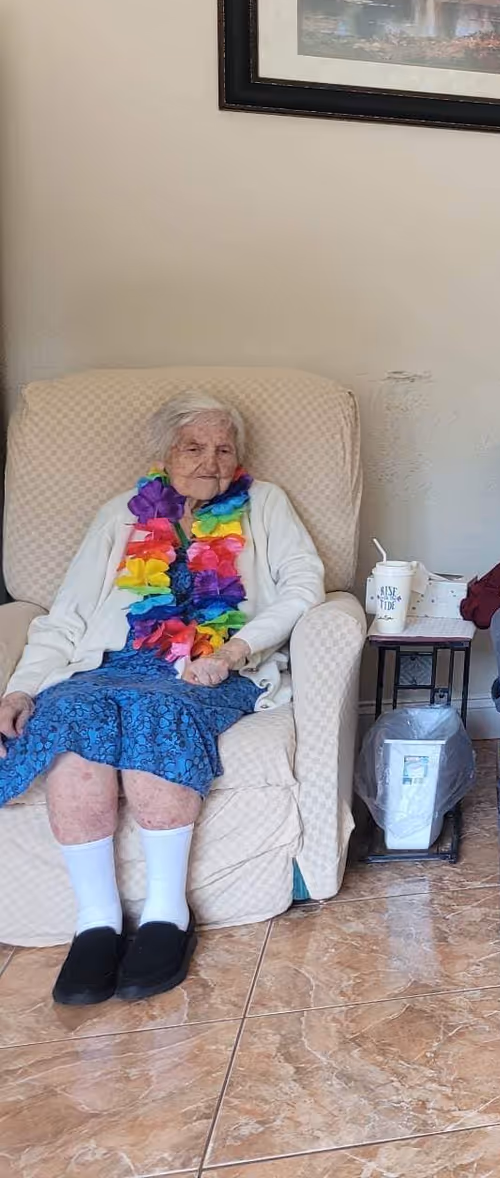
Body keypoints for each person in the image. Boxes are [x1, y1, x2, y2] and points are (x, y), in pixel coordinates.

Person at [0, 393, 324, 1006]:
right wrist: (22, 685)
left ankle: (166, 915)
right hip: (107, 664)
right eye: (193, 447)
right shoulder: (121, 514)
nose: (210, 461)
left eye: (224, 448)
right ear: (165, 455)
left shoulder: (264, 505)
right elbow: (67, 616)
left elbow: (303, 588)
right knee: (71, 717)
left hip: (207, 667)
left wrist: (235, 651)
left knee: (159, 712)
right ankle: (95, 922)